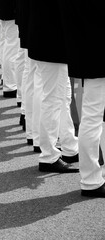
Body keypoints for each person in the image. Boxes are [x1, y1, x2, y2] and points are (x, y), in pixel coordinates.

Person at [58, 0, 105, 196]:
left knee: (93, 117)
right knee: (93, 117)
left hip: (87, 52)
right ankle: (91, 179)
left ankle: (92, 176)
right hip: (97, 53)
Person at [27, 0, 79, 173]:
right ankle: (49, 156)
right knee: (54, 100)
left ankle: (69, 146)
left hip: (48, 38)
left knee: (63, 97)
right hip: (52, 41)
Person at [0, 0, 19, 98]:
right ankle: (10, 84)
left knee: (6, 42)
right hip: (11, 9)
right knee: (12, 46)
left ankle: (7, 80)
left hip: (4, 7)